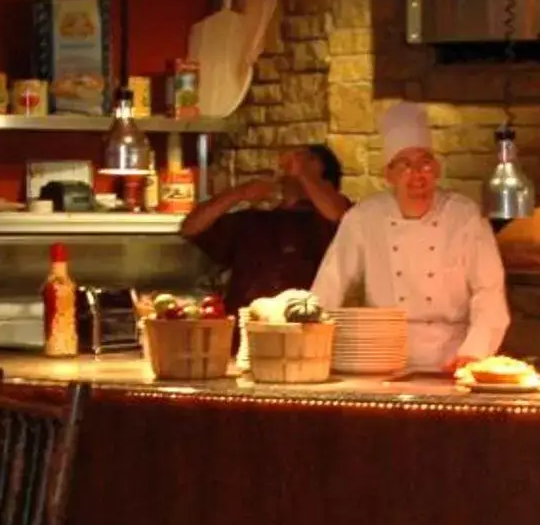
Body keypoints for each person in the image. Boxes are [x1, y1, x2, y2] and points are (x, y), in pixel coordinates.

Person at [310, 101, 508, 372]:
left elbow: (489, 291)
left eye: (425, 164)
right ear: (388, 175)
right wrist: (309, 343)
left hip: (453, 360)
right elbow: (330, 283)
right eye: (405, 165)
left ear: (437, 170)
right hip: (383, 361)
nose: (417, 175)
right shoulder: (364, 217)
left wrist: (473, 354)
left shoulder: (465, 217)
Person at [181, 143, 348, 312]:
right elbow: (191, 228)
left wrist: (304, 175)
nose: (297, 162)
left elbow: (339, 214)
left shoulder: (332, 221)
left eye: (309, 159)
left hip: (310, 325)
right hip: (248, 325)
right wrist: (239, 193)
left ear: (328, 182)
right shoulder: (256, 220)